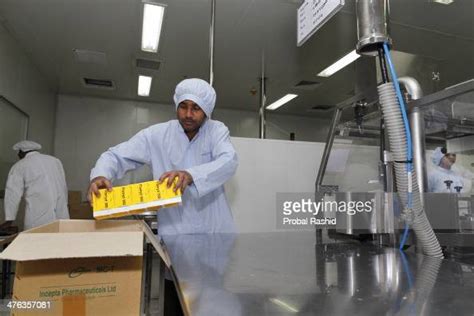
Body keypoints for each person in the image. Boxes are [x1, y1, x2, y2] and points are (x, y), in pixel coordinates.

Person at [87, 78, 238, 235]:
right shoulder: (156, 135)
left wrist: (191, 175)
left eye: (196, 108)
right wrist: (100, 175)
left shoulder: (216, 131)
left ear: (206, 110)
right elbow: (115, 156)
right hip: (176, 232)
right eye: (183, 106)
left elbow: (229, 160)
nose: (188, 114)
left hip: (215, 230)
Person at [1, 140, 70, 230]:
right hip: (61, 214)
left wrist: (9, 219)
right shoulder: (55, 161)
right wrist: (65, 204)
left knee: (37, 240)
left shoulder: (20, 165)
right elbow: (63, 185)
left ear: (21, 152)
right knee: (59, 241)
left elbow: (13, 194)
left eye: (18, 154)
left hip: (38, 216)